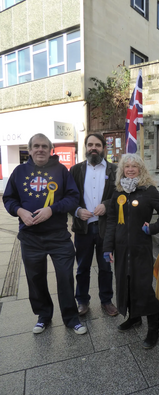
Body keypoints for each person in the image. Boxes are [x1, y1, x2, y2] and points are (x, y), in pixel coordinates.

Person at [3, 133, 86, 335]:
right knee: (35, 279)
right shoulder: (19, 171)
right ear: (30, 150)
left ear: (51, 150)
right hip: (30, 238)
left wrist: (52, 209)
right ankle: (43, 316)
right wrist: (19, 211)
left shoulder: (61, 171)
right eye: (36, 146)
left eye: (44, 146)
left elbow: (73, 198)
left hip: (58, 236)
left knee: (66, 277)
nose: (40, 149)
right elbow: (8, 198)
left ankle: (71, 318)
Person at [103, 153, 159, 349]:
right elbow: (111, 222)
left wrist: (153, 228)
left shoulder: (148, 191)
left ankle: (153, 328)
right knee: (125, 282)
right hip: (121, 248)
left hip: (141, 248)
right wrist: (108, 247)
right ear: (122, 170)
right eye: (127, 166)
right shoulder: (117, 192)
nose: (131, 169)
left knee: (143, 287)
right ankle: (134, 318)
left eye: (134, 166)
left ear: (141, 169)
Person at [70, 133, 118, 317]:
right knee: (82, 267)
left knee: (106, 267)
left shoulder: (114, 170)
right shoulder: (75, 170)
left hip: (106, 228)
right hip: (83, 227)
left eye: (97, 145)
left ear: (104, 148)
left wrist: (107, 205)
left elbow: (119, 196)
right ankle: (82, 301)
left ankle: (106, 301)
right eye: (90, 144)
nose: (93, 148)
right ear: (85, 147)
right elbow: (68, 198)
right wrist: (77, 210)